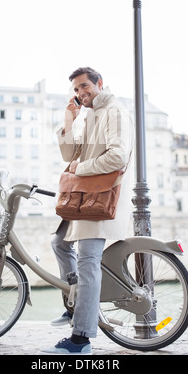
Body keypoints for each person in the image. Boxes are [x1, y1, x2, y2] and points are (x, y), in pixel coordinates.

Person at [41, 67, 133, 355]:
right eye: (77, 90)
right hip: (85, 197)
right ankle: (75, 304)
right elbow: (70, 154)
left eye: (84, 86)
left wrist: (81, 169)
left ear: (99, 83)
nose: (81, 93)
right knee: (59, 243)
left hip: (101, 197)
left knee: (88, 262)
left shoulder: (114, 111)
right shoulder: (91, 114)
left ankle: (81, 339)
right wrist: (69, 119)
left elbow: (117, 157)